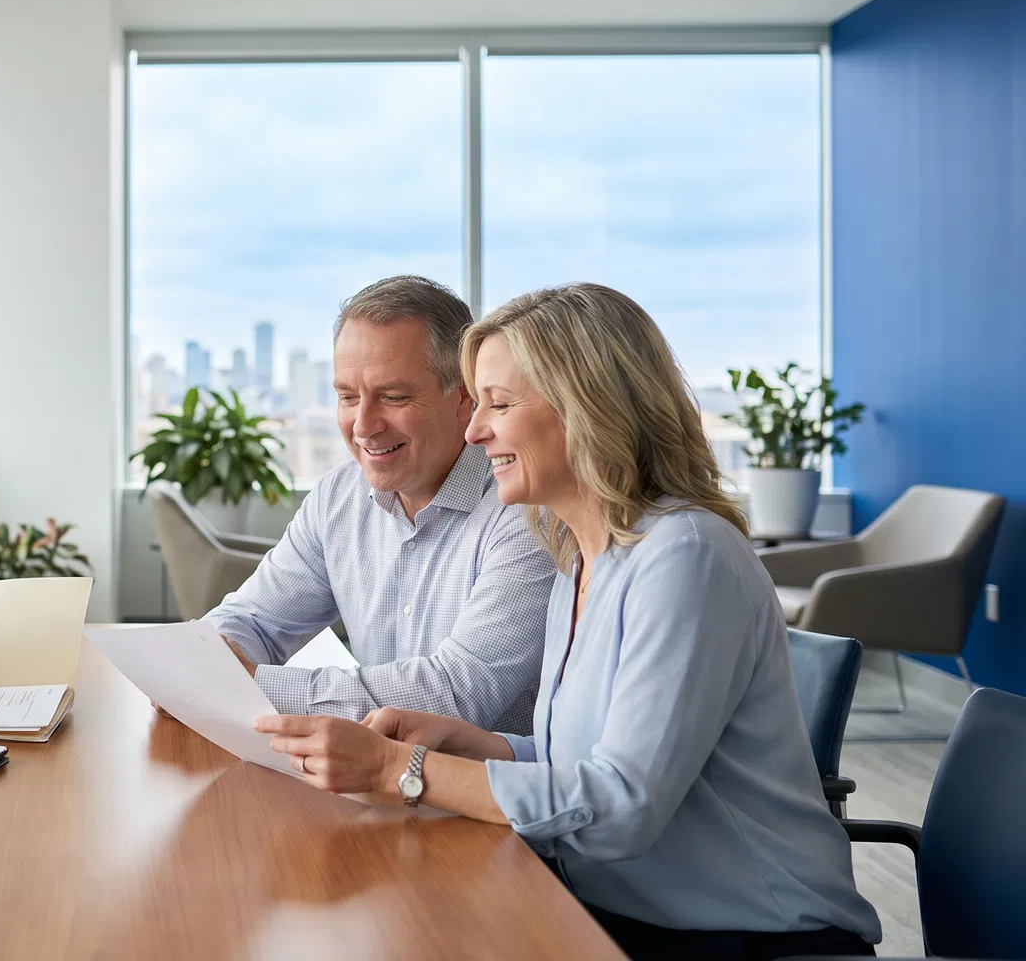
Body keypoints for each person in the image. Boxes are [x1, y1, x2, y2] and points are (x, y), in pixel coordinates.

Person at [255, 283, 881, 961]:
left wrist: (400, 771)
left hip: (751, 936)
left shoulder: (685, 556)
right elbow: (577, 765)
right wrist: (474, 744)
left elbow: (620, 808)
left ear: (587, 408)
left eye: (498, 404)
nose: (475, 430)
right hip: (610, 911)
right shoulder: (582, 556)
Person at [202, 276, 555, 731]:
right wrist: (204, 664)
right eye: (348, 397)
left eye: (393, 397)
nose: (364, 426)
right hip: (367, 785)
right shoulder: (339, 497)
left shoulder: (528, 509)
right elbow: (253, 620)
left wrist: (253, 685)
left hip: (480, 796)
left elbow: (457, 692)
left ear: (465, 398)